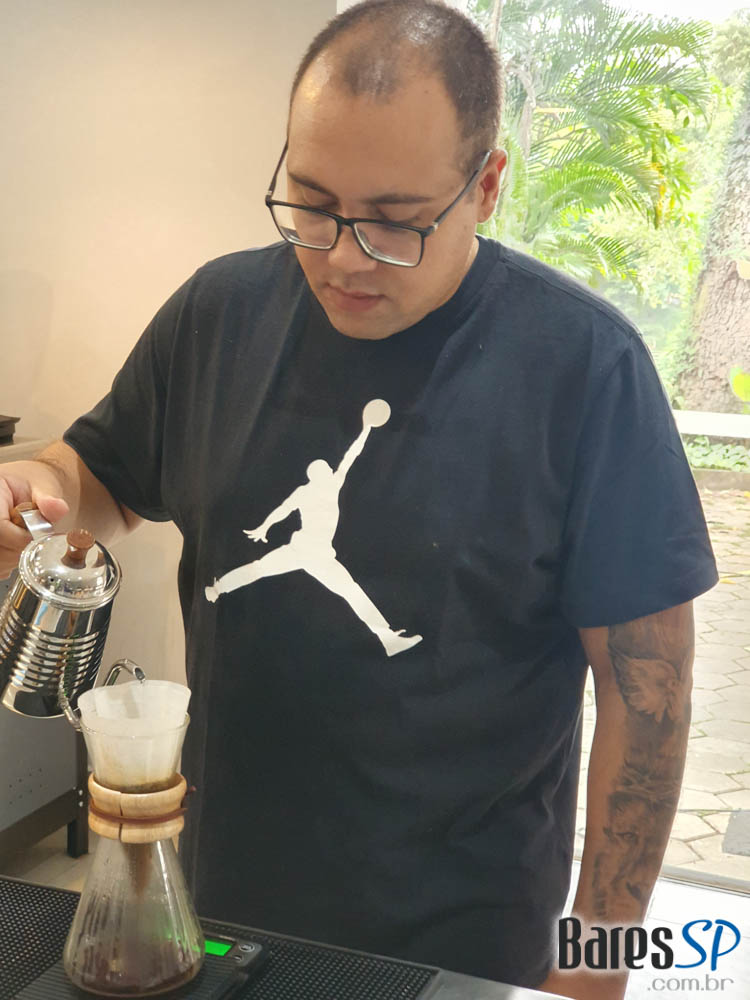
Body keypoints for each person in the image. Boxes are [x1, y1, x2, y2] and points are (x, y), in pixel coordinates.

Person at [0, 2, 717, 997]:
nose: (341, 255)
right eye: (312, 201)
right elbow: (101, 475)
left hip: (460, 945)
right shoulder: (218, 313)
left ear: (487, 186)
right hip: (218, 910)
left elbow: (651, 700)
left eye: (393, 219)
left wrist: (598, 964)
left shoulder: (585, 369)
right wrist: (43, 485)